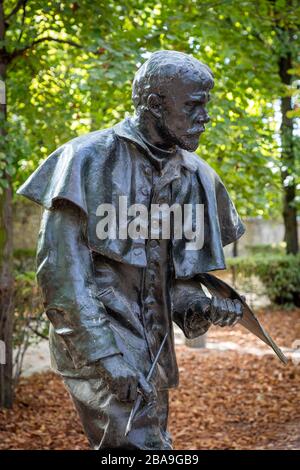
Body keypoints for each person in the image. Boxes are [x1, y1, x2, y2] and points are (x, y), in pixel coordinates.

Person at [17, 50, 245, 449]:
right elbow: (62, 275)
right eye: (193, 105)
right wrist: (105, 357)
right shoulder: (84, 161)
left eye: (205, 105)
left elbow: (178, 282)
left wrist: (203, 307)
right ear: (154, 104)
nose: (204, 117)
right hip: (95, 339)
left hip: (152, 348)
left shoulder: (194, 177)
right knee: (140, 448)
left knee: (150, 441)